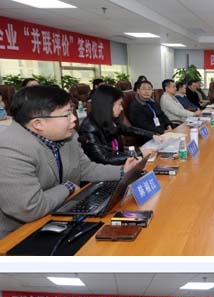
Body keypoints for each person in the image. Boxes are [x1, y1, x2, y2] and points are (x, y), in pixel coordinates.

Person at [0, 86, 140, 239]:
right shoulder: (10, 149)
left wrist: (123, 171)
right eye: (66, 114)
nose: (74, 118)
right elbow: (30, 207)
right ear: (38, 123)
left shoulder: (68, 135)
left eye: (72, 111)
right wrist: (68, 187)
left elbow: (85, 168)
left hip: (59, 216)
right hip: (18, 235)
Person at [78, 85, 155, 165]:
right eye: (119, 104)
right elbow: (105, 158)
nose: (121, 108)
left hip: (120, 162)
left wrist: (152, 135)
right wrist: (139, 154)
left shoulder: (109, 118)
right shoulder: (88, 129)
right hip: (109, 170)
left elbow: (127, 129)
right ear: (107, 106)